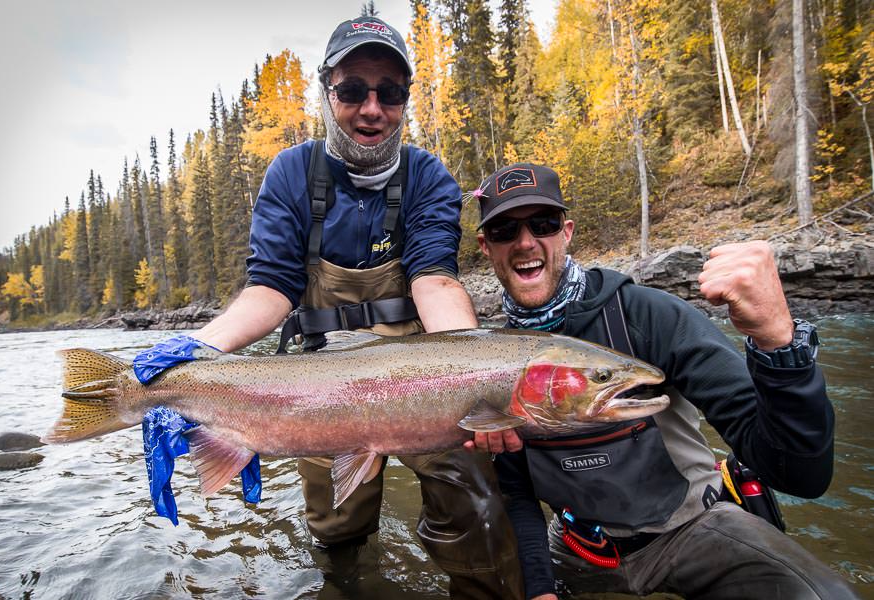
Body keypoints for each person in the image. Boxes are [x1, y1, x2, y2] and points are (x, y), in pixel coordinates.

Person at [133, 15, 523, 599]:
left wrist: (476, 375)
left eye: (389, 93)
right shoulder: (292, 173)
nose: (372, 108)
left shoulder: (428, 177)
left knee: (477, 507)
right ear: (327, 92)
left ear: (404, 100)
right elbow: (271, 288)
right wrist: (198, 352)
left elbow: (435, 282)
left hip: (419, 376)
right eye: (352, 90)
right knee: (337, 530)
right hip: (317, 384)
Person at [469, 162, 858, 599]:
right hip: (578, 547)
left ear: (567, 231)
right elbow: (517, 493)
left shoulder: (649, 316)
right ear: (486, 247)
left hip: (694, 530)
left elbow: (799, 474)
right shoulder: (491, 355)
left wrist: (777, 343)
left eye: (543, 223)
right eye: (504, 230)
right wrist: (540, 589)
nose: (525, 242)